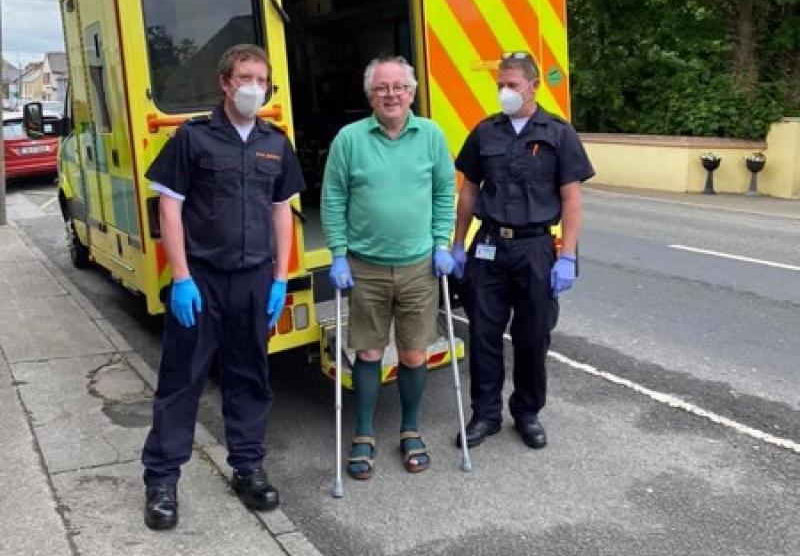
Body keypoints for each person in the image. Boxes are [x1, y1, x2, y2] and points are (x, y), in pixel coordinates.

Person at [141, 44, 305, 530]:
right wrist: (182, 277)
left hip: (254, 279)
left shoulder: (275, 142)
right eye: (245, 78)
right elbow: (169, 208)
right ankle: (162, 480)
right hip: (202, 281)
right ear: (225, 83)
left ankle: (248, 467)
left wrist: (280, 278)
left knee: (249, 376)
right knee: (182, 379)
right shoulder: (193, 138)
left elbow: (282, 211)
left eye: (262, 80)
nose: (255, 88)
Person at [321, 56, 456, 479]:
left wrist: (442, 243)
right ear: (370, 95)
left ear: (411, 93)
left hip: (419, 266)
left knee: (414, 352)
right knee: (368, 352)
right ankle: (363, 433)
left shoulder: (431, 135)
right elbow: (333, 197)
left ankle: (410, 429)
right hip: (366, 266)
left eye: (399, 87)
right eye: (382, 88)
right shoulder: (349, 139)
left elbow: (444, 192)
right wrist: (338, 252)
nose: (391, 94)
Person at [452, 52, 594, 450]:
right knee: (483, 334)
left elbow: (571, 198)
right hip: (489, 246)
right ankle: (485, 414)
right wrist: (458, 244)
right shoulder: (485, 132)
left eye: (512, 85)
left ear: (534, 86)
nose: (505, 92)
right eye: (501, 85)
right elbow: (469, 191)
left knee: (533, 335)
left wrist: (567, 255)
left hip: (535, 248)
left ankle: (527, 412)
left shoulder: (559, 134)